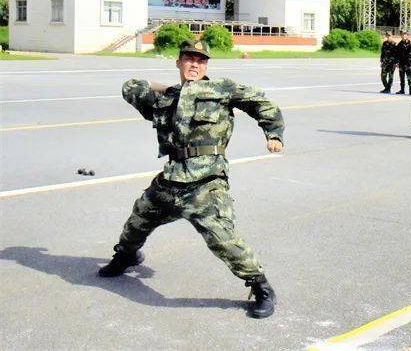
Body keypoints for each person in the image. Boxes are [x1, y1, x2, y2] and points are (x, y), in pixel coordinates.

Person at [98, 40, 284, 319]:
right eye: (188, 58)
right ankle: (127, 256)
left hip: (206, 181)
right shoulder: (166, 99)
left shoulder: (221, 89)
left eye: (200, 60)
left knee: (223, 238)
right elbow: (131, 86)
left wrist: (274, 134)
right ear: (179, 62)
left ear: (206, 65)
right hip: (171, 178)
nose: (194, 64)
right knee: (138, 219)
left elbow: (262, 103)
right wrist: (170, 88)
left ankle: (261, 287)